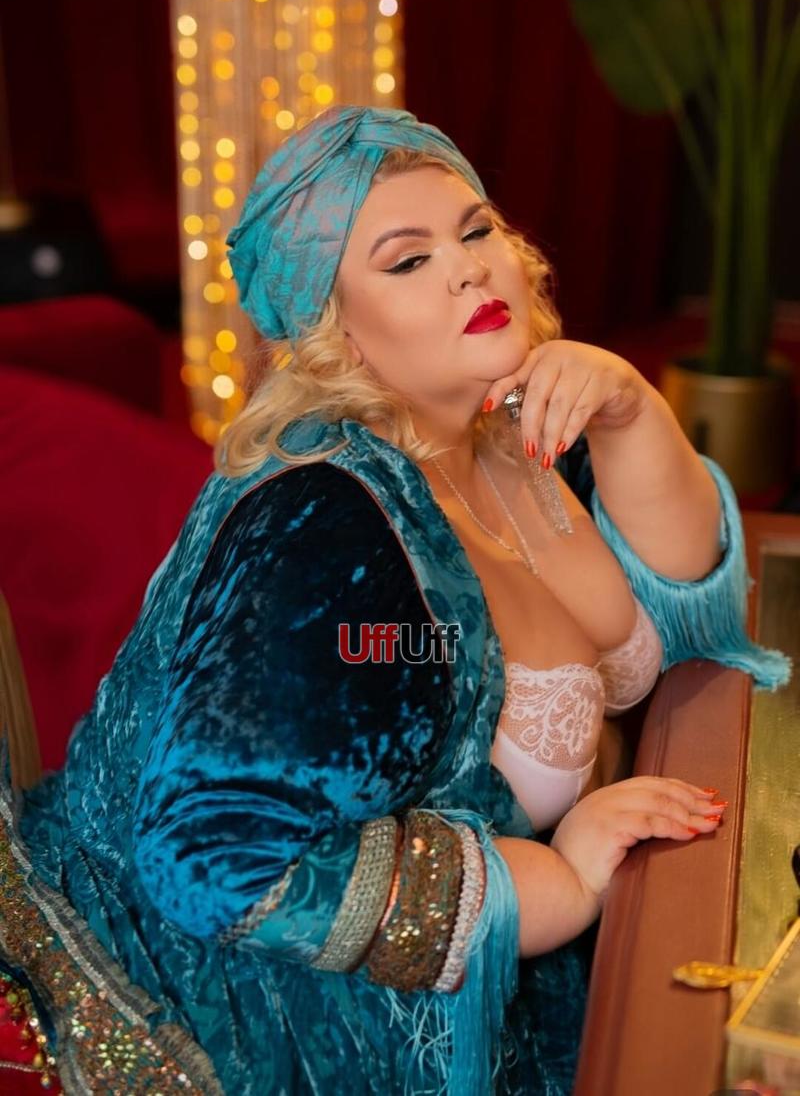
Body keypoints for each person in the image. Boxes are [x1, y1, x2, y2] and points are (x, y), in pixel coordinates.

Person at [1, 105, 790, 1095]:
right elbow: (214, 855)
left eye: (475, 230)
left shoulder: (511, 422)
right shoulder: (325, 533)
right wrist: (556, 882)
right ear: (336, 334)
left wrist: (630, 409)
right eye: (408, 261)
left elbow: (687, 616)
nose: (468, 269)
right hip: (278, 1019)